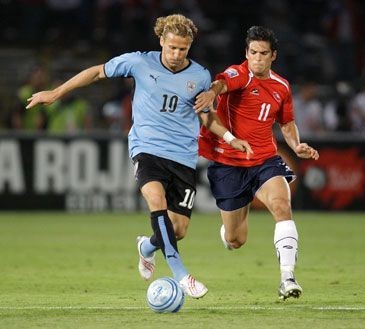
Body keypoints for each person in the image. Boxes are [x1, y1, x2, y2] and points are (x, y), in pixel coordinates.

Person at [26, 14, 252, 299]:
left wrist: (231, 138)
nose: (176, 54)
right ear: (161, 41)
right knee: (155, 202)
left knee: (177, 229)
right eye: (171, 48)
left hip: (183, 157)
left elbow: (207, 118)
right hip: (147, 149)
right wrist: (56, 93)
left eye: (183, 49)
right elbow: (97, 72)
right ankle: (181, 274)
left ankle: (146, 247)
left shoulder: (200, 76)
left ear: (190, 46)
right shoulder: (139, 62)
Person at [194, 26, 319, 300]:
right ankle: (228, 231)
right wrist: (212, 93)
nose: (257, 59)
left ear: (273, 55)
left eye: (263, 53)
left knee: (282, 205)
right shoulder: (239, 73)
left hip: (264, 159)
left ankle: (287, 278)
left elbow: (286, 123)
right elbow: (223, 83)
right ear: (246, 53)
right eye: (253, 53)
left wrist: (296, 144)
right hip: (228, 163)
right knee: (236, 240)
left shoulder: (282, 86)